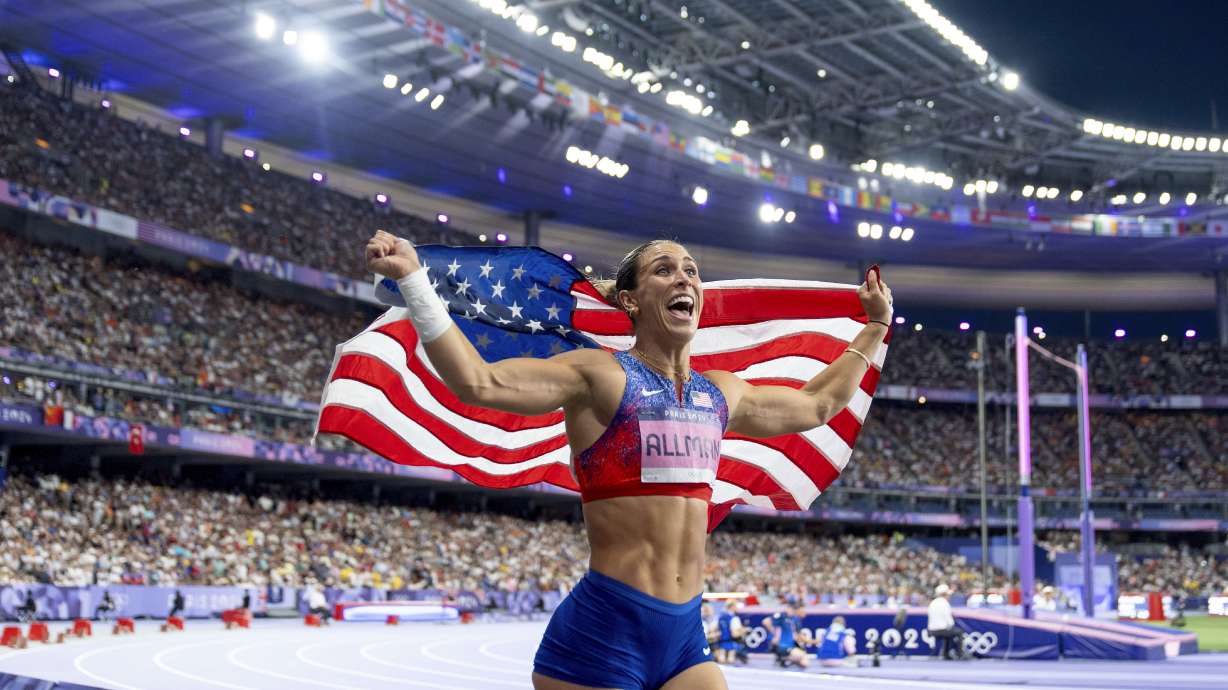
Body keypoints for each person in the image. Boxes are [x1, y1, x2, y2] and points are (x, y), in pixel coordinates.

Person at [365, 232, 893, 690]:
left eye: (691, 270)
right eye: (664, 270)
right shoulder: (601, 377)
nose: (684, 278)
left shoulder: (721, 395)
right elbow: (479, 382)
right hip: (603, 633)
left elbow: (817, 405)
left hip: (684, 634)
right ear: (631, 300)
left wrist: (874, 329)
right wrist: (414, 280)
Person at [764, 601, 812, 668]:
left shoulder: (795, 619)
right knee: (802, 657)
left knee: (805, 662)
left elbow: (798, 635)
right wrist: (774, 635)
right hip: (782, 645)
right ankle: (783, 659)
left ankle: (786, 660)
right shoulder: (781, 617)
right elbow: (766, 621)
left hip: (790, 645)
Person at [927, 584, 962, 660]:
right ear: (945, 594)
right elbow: (949, 621)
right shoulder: (945, 603)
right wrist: (951, 626)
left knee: (949, 632)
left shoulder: (933, 603)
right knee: (958, 632)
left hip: (931, 630)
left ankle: (946, 654)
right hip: (941, 630)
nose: (949, 597)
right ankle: (959, 654)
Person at [714, 601, 747, 665]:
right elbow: (734, 633)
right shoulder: (734, 618)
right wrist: (743, 631)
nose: (737, 608)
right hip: (731, 640)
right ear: (732, 607)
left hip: (721, 640)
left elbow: (714, 628)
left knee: (722, 657)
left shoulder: (719, 617)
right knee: (730, 658)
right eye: (736, 606)